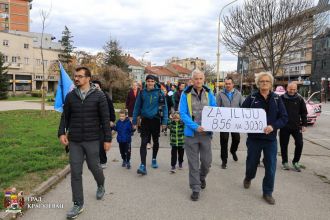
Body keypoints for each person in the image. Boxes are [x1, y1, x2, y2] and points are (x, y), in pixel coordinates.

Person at [58, 66, 111, 219]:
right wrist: (62, 132)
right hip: (74, 140)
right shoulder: (70, 97)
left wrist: (107, 139)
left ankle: (101, 183)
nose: (76, 79)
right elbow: (65, 117)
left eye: (80, 76)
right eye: (75, 76)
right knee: (75, 172)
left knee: (94, 167)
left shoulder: (99, 96)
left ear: (88, 78)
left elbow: (105, 119)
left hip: (92, 139)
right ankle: (78, 204)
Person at [241, 71, 288, 205]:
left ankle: (267, 192)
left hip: (270, 140)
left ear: (271, 83)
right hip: (254, 139)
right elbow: (241, 114)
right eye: (262, 81)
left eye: (267, 81)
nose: (264, 83)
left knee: (271, 166)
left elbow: (284, 117)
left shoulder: (277, 99)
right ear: (258, 84)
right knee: (251, 164)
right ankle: (249, 177)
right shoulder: (251, 98)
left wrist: (273, 126)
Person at [179, 69, 216, 201]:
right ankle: (195, 188)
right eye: (196, 79)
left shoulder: (209, 93)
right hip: (191, 134)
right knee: (193, 163)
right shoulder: (186, 94)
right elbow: (182, 113)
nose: (198, 81)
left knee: (207, 162)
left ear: (203, 79)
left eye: (200, 79)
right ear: (192, 80)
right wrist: (195, 127)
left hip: (206, 134)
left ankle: (201, 178)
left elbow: (214, 110)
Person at [132, 74, 168, 175]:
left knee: (155, 141)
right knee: (143, 142)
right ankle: (142, 165)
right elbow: (136, 107)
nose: (150, 83)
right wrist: (134, 120)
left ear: (155, 82)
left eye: (152, 81)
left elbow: (165, 108)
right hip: (145, 121)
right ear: (146, 82)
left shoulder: (160, 93)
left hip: (156, 120)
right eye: (148, 81)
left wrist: (165, 121)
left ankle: (154, 159)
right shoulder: (142, 93)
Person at [216, 76, 244, 169]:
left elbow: (243, 106)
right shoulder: (220, 94)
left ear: (233, 84)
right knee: (224, 140)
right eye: (226, 83)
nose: (228, 85)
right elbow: (217, 107)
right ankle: (224, 160)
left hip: (235, 122)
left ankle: (233, 150)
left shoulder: (238, 94)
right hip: (224, 122)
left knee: (237, 139)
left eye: (229, 83)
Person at [280, 82, 308, 172]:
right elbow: (277, 111)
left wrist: (304, 124)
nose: (292, 91)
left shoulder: (299, 99)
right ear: (287, 88)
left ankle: (295, 161)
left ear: (296, 89)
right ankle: (285, 162)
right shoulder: (281, 99)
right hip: (284, 126)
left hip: (296, 126)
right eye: (290, 89)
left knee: (299, 143)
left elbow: (304, 112)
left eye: (294, 89)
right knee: (284, 145)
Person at [92, 80, 116, 169]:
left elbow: (111, 109)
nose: (96, 89)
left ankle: (103, 161)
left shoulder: (105, 96)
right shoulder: (90, 97)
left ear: (100, 88)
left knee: (101, 143)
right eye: (94, 87)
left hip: (104, 124)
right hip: (93, 124)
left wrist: (112, 120)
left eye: (97, 87)